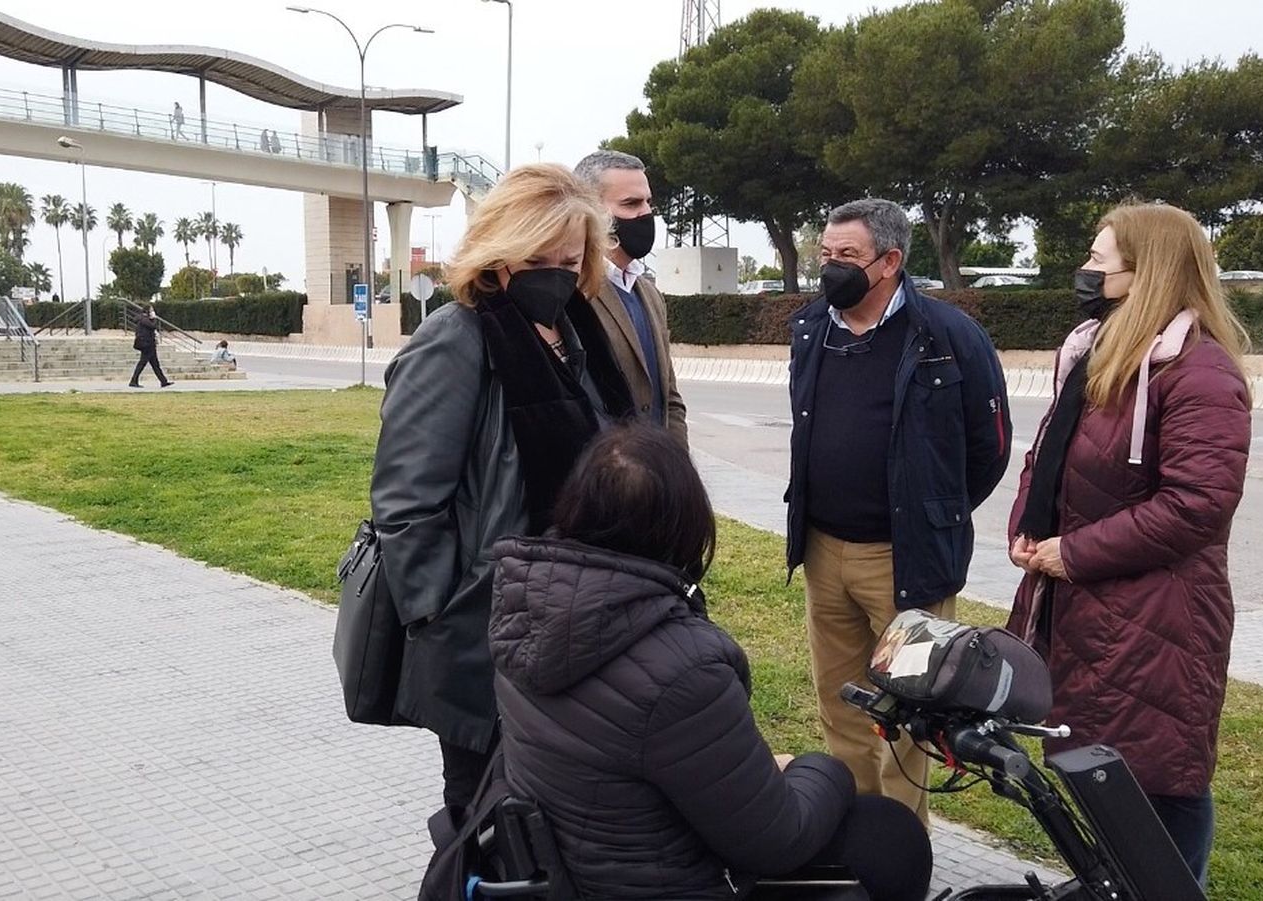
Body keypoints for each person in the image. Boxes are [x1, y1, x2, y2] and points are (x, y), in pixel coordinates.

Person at [491, 424, 932, 900]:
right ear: (683, 526)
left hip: (577, 867)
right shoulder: (684, 670)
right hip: (662, 883)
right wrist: (826, 768)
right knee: (892, 837)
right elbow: (777, 840)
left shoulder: (527, 608)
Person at [369, 163, 636, 818]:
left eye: (569, 259)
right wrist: (444, 619)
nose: (554, 272)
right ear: (497, 253)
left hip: (582, 631)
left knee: (562, 824)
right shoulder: (454, 341)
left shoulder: (578, 336)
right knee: (488, 824)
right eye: (535, 257)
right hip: (486, 639)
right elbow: (405, 507)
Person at [1006, 203, 1251, 887]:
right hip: (1082, 608)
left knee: (1158, 785)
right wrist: (1028, 529)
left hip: (1157, 620)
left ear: (1149, 273)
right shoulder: (1095, 351)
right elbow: (1047, 456)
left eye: (1098, 260)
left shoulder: (1199, 371)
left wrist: (1072, 552)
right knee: (1103, 781)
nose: (1085, 272)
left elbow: (1197, 503)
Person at [786, 198, 1011, 824]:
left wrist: (933, 511)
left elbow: (988, 447)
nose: (830, 268)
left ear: (889, 262)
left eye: (846, 257)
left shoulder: (947, 336)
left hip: (905, 560)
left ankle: (901, 847)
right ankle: (855, 834)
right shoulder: (811, 329)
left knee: (910, 714)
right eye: (825, 255)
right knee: (842, 704)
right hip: (824, 552)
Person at [573, 150, 687, 446]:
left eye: (648, 202)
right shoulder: (574, 293)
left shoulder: (649, 295)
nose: (645, 213)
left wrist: (678, 469)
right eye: (631, 204)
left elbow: (669, 398)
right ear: (591, 210)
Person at [129, 305, 172, 388]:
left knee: (155, 364)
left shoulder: (142, 319)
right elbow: (153, 326)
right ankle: (133, 381)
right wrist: (154, 318)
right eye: (151, 310)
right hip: (147, 344)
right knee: (142, 363)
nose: (152, 311)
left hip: (149, 344)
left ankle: (163, 381)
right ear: (147, 311)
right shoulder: (144, 319)